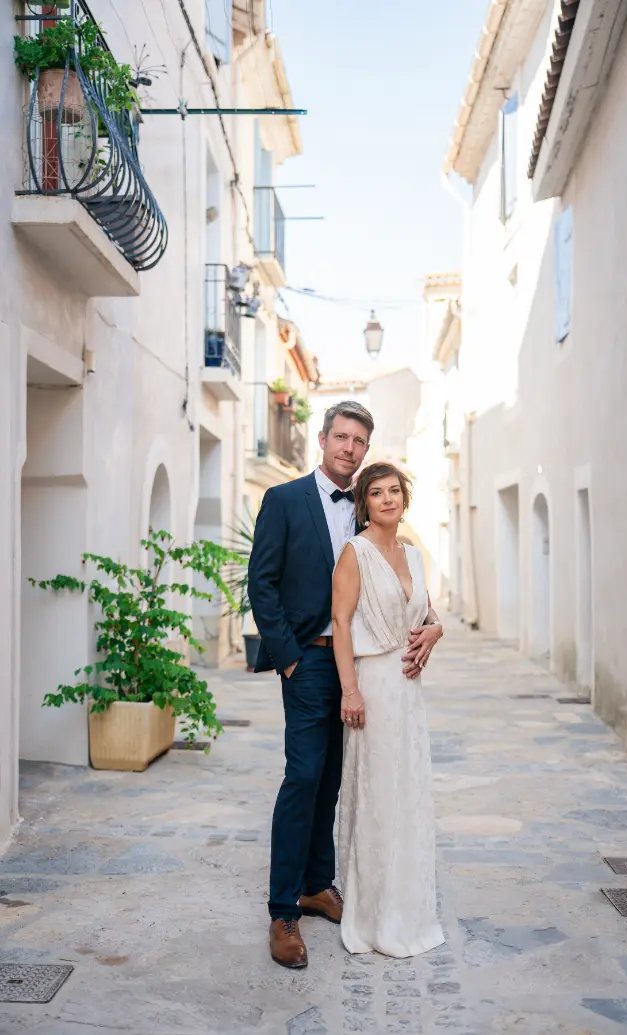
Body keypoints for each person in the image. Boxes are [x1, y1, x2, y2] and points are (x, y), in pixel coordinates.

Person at [247, 400, 375, 969]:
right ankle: (282, 909)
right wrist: (289, 659)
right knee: (301, 777)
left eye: (359, 442)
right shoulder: (283, 500)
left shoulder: (369, 509)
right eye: (341, 438)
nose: (349, 449)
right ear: (322, 440)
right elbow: (262, 581)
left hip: (358, 665)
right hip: (308, 661)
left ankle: (317, 884)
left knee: (332, 779)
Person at [332, 462, 445, 958]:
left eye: (394, 490)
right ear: (365, 504)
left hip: (409, 693)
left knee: (408, 795)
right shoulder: (355, 552)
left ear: (404, 497)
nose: (386, 499)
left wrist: (437, 631)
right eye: (375, 492)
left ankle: (409, 910)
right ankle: (374, 916)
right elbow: (339, 622)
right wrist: (350, 692)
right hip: (373, 686)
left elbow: (425, 613)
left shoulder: (415, 556)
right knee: (377, 799)